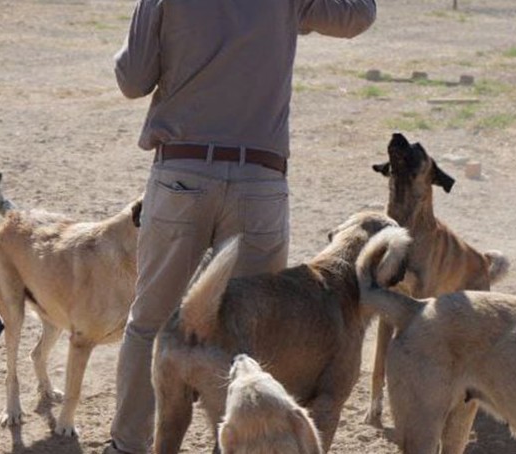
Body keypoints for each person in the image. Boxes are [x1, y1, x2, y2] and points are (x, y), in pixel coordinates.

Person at [105, 0, 376, 452]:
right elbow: (358, 16)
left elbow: (132, 81)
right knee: (253, 330)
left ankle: (128, 445)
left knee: (150, 321)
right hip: (260, 183)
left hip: (181, 174)